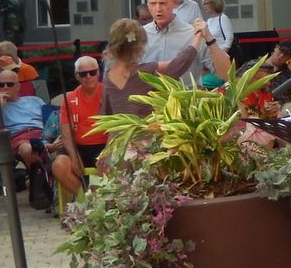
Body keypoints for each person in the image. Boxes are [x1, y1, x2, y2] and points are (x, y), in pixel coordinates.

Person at [99, 17, 198, 117]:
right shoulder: (145, 72)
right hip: (145, 127)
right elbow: (181, 62)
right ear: (138, 48)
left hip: (117, 127)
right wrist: (198, 37)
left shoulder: (108, 78)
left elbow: (104, 113)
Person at [140, 0, 226, 85]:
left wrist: (209, 39)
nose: (158, 9)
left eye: (163, 3)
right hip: (148, 95)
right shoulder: (140, 36)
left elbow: (225, 74)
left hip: (187, 94)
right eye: (153, 3)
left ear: (175, 3)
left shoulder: (194, 35)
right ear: (147, 4)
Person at [51, 55, 107, 197]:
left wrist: (108, 152)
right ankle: (87, 200)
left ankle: (99, 201)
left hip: (104, 145)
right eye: (83, 74)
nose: (88, 77)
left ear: (98, 73)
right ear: (77, 76)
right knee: (59, 165)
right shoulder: (69, 98)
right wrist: (74, 156)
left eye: (92, 72)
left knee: (110, 164)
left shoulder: (109, 93)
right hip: (78, 146)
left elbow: (118, 129)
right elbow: (66, 134)